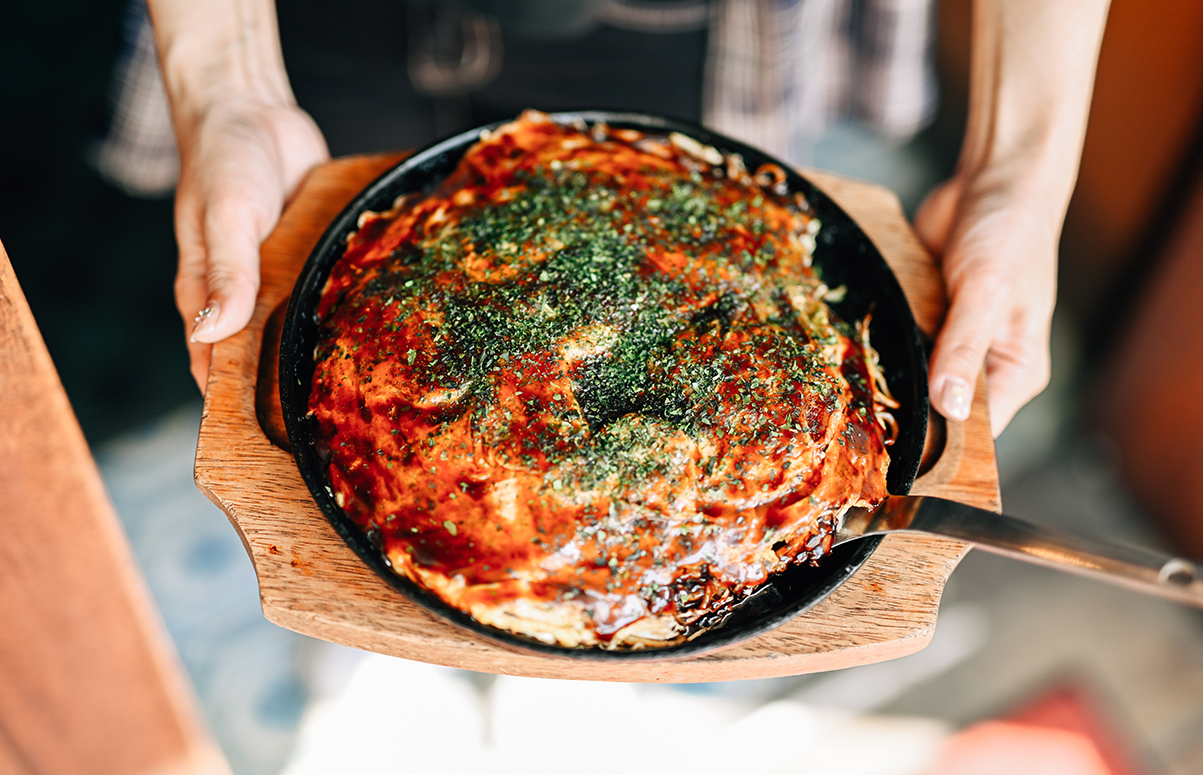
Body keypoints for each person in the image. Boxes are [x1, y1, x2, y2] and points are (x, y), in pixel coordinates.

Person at [145, 0, 1110, 437]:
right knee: (345, 351)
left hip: (712, 26)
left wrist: (1018, 167)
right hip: (332, 21)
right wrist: (227, 79)